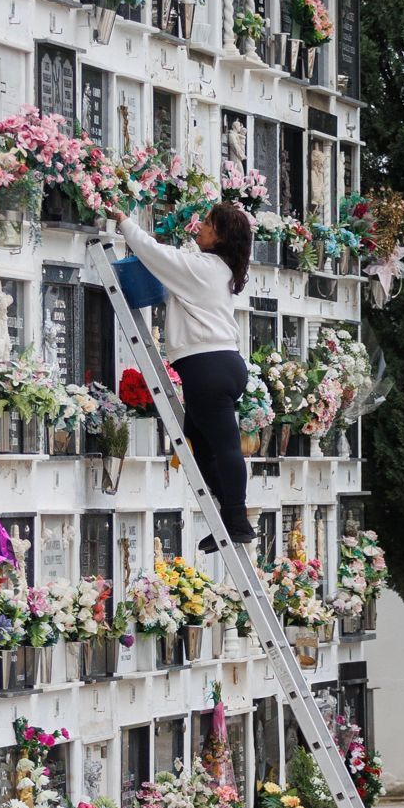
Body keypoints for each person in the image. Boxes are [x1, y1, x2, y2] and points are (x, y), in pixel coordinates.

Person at [106, 203, 257, 549]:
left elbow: (153, 254)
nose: (200, 227)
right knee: (199, 444)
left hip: (207, 368)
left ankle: (237, 520)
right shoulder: (219, 268)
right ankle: (226, 516)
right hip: (223, 364)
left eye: (207, 223)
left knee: (224, 446)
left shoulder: (200, 267)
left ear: (219, 235)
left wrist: (125, 222)